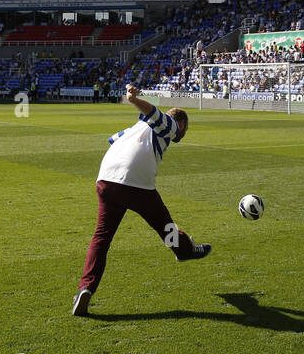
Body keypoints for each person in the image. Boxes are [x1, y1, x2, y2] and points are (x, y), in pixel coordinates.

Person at [72, 85, 209, 317]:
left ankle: (85, 288)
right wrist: (134, 98)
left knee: (102, 237)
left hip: (106, 178)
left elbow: (112, 139)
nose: (183, 135)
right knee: (164, 225)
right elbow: (153, 113)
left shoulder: (134, 128)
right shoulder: (170, 124)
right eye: (185, 130)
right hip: (135, 182)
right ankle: (185, 250)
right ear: (182, 124)